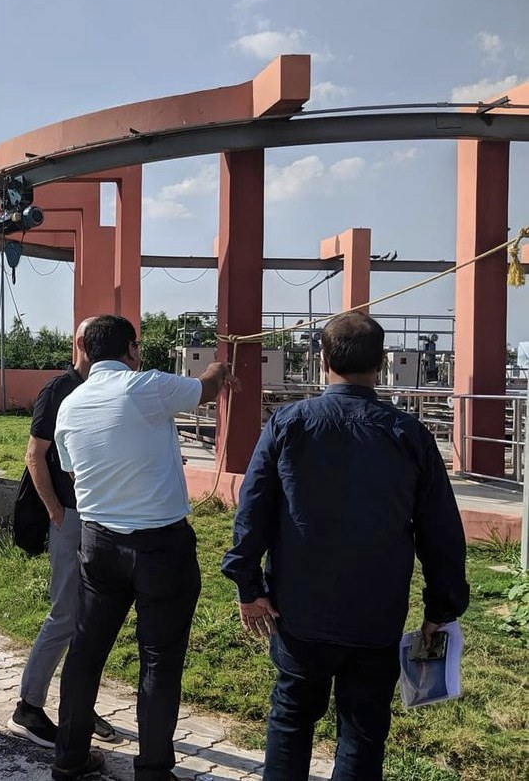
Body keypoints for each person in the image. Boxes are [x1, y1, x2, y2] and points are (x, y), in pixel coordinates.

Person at [221, 311, 470, 781]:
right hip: (375, 614)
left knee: (291, 719)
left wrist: (248, 586)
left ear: (322, 359)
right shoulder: (409, 433)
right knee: (362, 730)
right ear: (380, 364)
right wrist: (442, 605)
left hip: (297, 612)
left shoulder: (288, 424)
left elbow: (251, 510)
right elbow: (441, 531)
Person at [51, 315, 238, 781]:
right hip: (160, 546)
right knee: (159, 658)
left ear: (86, 353)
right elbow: (208, 387)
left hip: (98, 545)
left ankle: (69, 759)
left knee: (86, 651)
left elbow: (73, 472)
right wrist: (221, 362)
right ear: (132, 350)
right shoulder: (146, 386)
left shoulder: (70, 405)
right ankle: (153, 770)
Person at [7, 318, 115, 749]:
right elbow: (36, 454)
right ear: (83, 345)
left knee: (92, 619)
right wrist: (55, 510)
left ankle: (78, 703)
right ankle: (28, 706)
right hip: (70, 517)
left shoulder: (107, 389)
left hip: (101, 519)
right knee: (65, 613)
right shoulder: (60, 389)